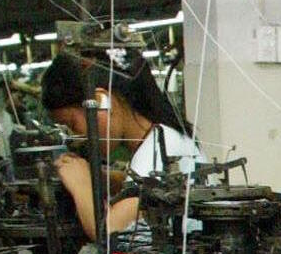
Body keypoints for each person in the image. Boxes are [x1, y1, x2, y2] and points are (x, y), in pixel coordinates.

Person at [40, 49, 199, 239]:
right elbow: (139, 193)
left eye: (72, 124)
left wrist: (81, 184)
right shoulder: (163, 137)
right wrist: (100, 178)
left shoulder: (162, 150)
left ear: (99, 101)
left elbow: (109, 233)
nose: (76, 136)